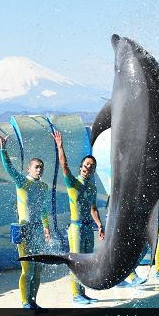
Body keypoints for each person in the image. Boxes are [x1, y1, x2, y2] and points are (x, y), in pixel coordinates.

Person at [0, 132, 51, 312]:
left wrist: (46, 227)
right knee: (27, 270)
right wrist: (3, 149)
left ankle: (33, 301)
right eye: (36, 167)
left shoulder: (43, 186)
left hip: (38, 231)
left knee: (38, 270)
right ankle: (25, 302)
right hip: (25, 230)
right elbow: (9, 168)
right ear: (28, 169)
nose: (39, 170)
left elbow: (43, 209)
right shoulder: (22, 182)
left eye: (41, 167)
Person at [52, 130, 105, 305]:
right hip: (76, 227)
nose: (88, 167)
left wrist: (100, 225)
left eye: (91, 166)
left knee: (86, 261)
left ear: (93, 169)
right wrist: (60, 146)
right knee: (76, 261)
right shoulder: (73, 183)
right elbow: (64, 166)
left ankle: (83, 292)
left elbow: (93, 208)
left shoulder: (92, 188)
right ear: (81, 166)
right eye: (86, 165)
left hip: (89, 227)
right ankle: (76, 295)